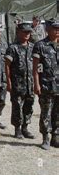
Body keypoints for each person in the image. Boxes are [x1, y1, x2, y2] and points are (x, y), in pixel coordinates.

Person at [5, 23, 35, 139]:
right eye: (25, 32)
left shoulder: (33, 47)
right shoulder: (13, 48)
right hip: (17, 83)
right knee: (17, 106)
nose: (27, 34)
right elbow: (7, 66)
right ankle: (17, 129)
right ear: (19, 32)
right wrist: (8, 82)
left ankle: (25, 128)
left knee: (29, 106)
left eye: (29, 32)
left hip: (30, 83)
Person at [32, 18, 59, 150]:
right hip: (46, 86)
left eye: (58, 28)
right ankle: (45, 138)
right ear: (47, 29)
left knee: (57, 113)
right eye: (54, 28)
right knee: (46, 112)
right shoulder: (40, 45)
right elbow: (36, 68)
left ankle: (56, 137)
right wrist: (36, 84)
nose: (57, 30)